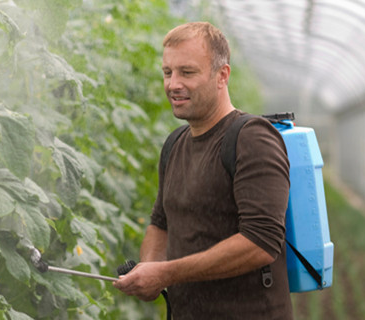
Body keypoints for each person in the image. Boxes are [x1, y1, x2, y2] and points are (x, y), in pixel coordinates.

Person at [112, 22, 293, 319]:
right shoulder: (175, 144)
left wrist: (166, 273)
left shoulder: (252, 138)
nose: (173, 84)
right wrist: (149, 268)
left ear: (222, 75)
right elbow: (161, 223)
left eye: (187, 72)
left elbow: (261, 242)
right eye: (167, 72)